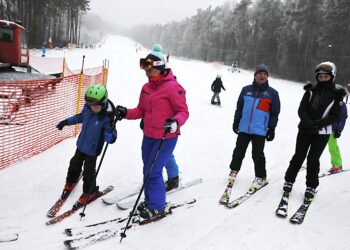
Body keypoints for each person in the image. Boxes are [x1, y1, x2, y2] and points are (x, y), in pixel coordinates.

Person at [115, 44, 189, 220]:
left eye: (149, 68)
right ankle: (151, 200)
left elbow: (184, 112)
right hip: (148, 136)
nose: (146, 72)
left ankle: (157, 207)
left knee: (154, 172)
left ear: (159, 67)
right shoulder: (146, 88)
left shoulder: (173, 87)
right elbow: (141, 111)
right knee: (147, 170)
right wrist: (125, 112)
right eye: (145, 68)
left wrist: (176, 123)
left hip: (165, 138)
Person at [282, 61, 347, 199]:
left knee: (313, 159)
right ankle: (289, 180)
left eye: (326, 76)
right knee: (298, 156)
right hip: (305, 129)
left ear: (332, 76)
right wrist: (309, 123)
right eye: (320, 76)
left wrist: (318, 124)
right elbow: (302, 109)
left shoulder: (337, 94)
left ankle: (311, 186)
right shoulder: (311, 90)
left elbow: (335, 115)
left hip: (322, 132)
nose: (323, 78)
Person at [56, 84, 117, 204]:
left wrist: (110, 137)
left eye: (96, 106)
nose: (93, 108)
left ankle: (90, 191)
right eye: (90, 105)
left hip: (93, 150)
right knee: (74, 164)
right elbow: (80, 117)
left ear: (103, 102)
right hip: (81, 145)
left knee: (89, 171)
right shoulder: (88, 108)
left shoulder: (107, 117)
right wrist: (66, 122)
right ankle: (71, 181)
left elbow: (112, 132)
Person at [227, 64, 280, 190]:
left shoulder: (272, 93)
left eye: (265, 74)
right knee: (238, 151)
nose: (262, 76)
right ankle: (234, 170)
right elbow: (239, 107)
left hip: (260, 130)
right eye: (260, 73)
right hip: (244, 128)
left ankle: (261, 176)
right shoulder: (246, 90)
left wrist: (271, 128)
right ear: (255, 75)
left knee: (257, 154)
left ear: (267, 77)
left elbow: (274, 113)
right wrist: (236, 121)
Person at [140, 118, 180, 191]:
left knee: (164, 156)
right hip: (152, 131)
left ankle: (172, 178)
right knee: (162, 155)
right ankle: (170, 177)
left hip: (164, 130)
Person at [328, 101, 347, 173]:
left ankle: (337, 165)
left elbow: (343, 118)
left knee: (332, 146)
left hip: (332, 129)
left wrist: (339, 130)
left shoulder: (341, 103)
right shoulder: (328, 98)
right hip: (323, 127)